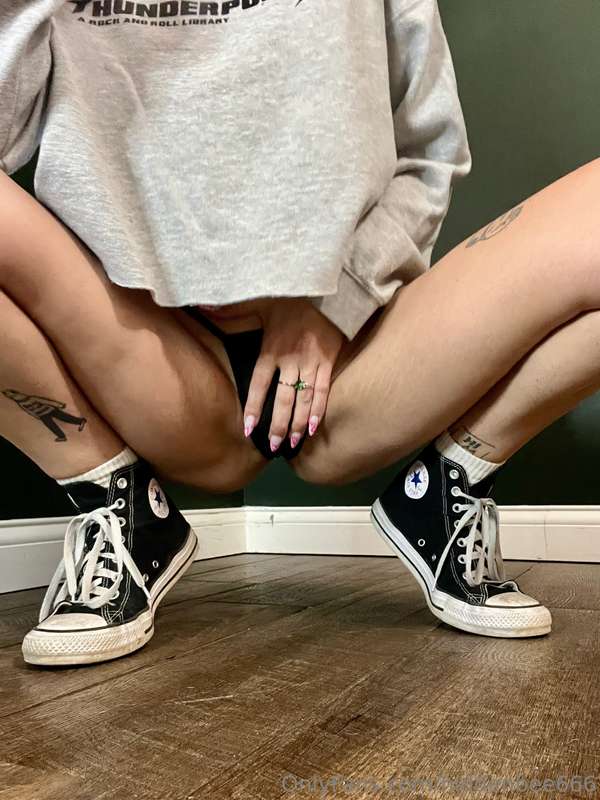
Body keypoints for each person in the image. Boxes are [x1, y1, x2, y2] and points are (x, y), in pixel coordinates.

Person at [1, 0, 597, 667]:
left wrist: (334, 303)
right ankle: (116, 503)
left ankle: (445, 488)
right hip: (158, 353)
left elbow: (432, 152)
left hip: (360, 355)